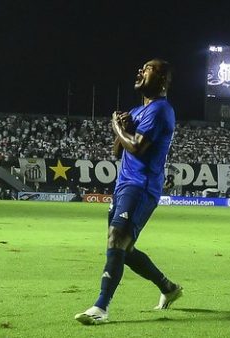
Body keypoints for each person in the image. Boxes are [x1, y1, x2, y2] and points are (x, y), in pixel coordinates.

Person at [76, 58, 182, 325]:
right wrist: (122, 127)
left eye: (147, 69)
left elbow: (137, 147)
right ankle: (168, 288)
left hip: (142, 185)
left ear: (161, 79)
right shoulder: (137, 111)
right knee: (125, 247)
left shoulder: (161, 110)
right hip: (124, 185)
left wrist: (116, 126)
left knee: (116, 240)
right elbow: (117, 150)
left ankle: (101, 307)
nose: (139, 71)